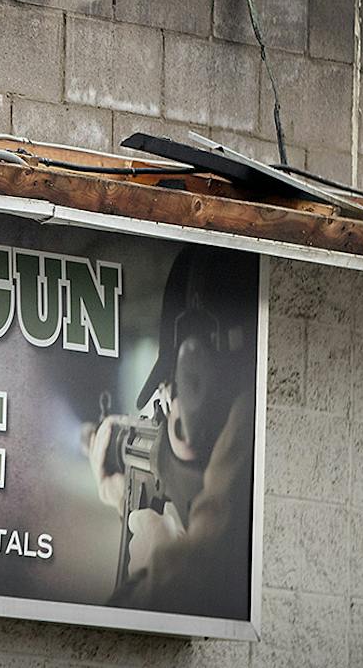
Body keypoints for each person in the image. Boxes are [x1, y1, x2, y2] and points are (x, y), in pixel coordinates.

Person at [84, 244, 256, 618]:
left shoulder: (246, 428)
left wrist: (154, 556)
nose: (162, 405)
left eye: (166, 388)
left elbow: (122, 629)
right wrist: (125, 500)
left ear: (193, 378)